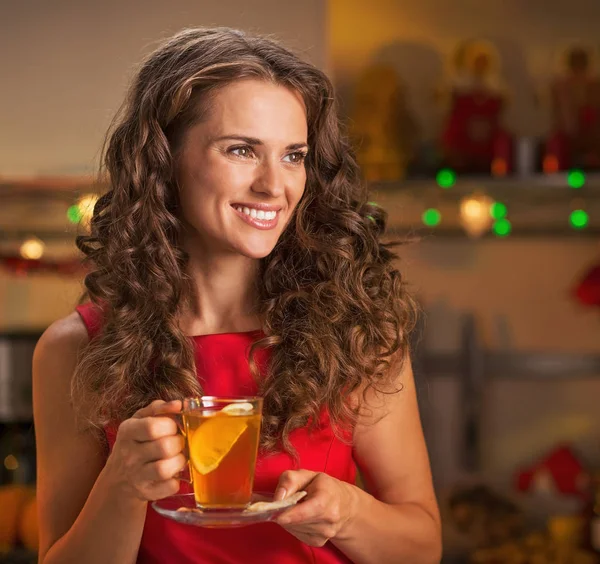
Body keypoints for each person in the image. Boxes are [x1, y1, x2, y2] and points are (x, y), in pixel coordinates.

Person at [32, 27, 441, 564]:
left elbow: (422, 547)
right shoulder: (74, 349)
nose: (275, 186)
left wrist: (348, 511)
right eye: (242, 150)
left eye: (293, 156)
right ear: (164, 160)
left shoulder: (358, 332)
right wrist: (122, 487)